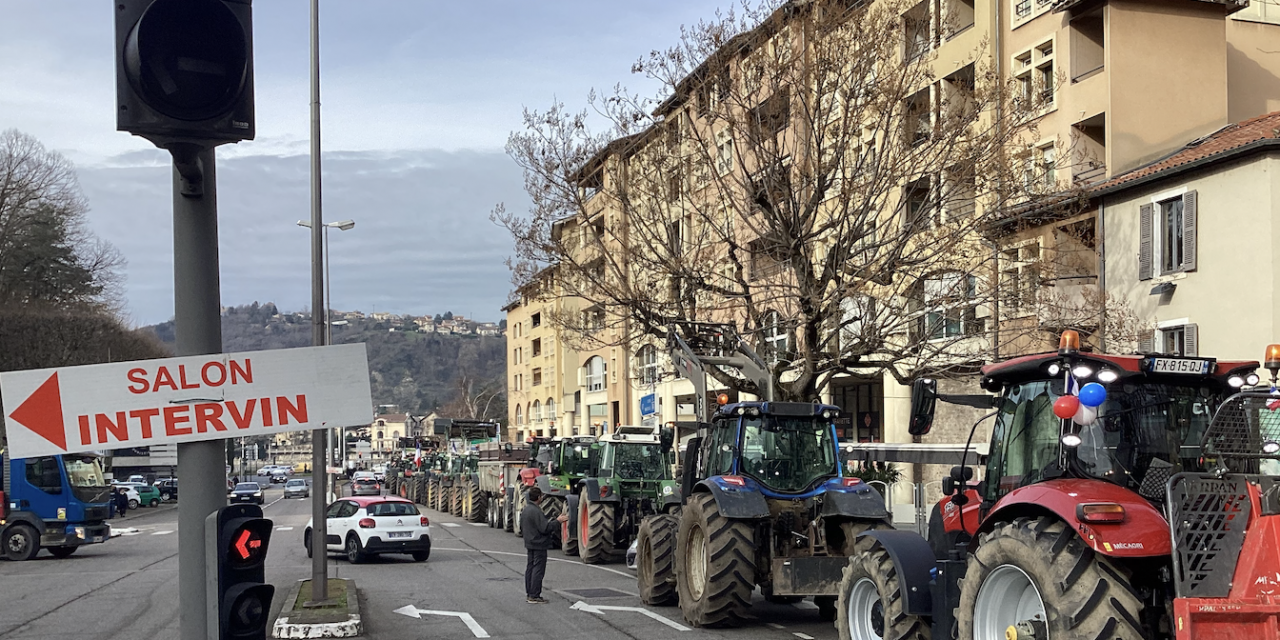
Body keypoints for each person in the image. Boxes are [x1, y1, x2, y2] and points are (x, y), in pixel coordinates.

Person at [520, 487, 567, 604]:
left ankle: (530, 593)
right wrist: (558, 521)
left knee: (530, 568)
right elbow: (545, 528)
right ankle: (535, 595)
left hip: (529, 543)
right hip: (539, 544)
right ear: (539, 497)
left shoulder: (526, 510)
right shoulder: (536, 511)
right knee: (538, 570)